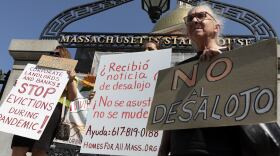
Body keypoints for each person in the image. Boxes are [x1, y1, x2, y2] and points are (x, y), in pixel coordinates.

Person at [157, 4, 244, 156]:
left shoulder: (237, 54)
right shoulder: (180, 69)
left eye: (201, 16)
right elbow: (170, 115)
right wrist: (163, 151)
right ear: (188, 33)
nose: (195, 20)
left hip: (224, 147)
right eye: (190, 19)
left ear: (216, 27)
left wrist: (223, 62)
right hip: (183, 149)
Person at [11, 46, 77, 156]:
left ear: (64, 57)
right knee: (19, 147)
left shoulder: (69, 74)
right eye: (51, 54)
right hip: (29, 112)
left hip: (51, 114)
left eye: (57, 54)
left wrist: (70, 80)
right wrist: (20, 85)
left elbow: (73, 97)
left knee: (40, 150)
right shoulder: (37, 70)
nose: (53, 56)